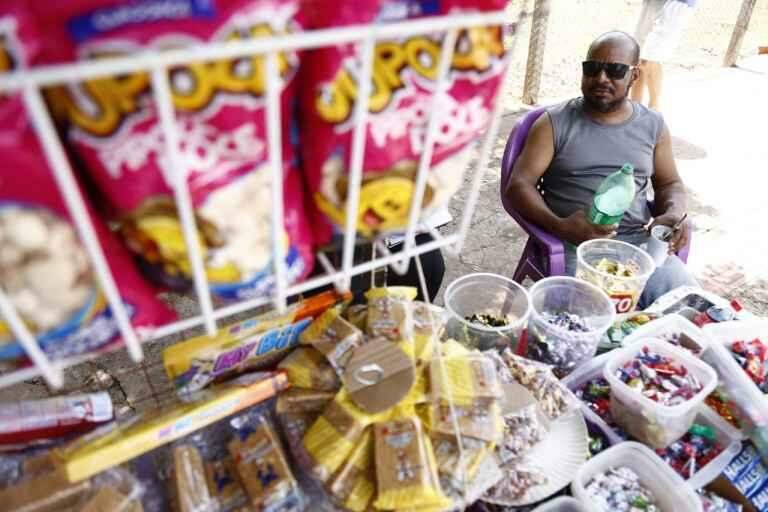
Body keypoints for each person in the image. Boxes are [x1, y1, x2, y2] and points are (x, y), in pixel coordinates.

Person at [506, 31, 696, 309]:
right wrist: (559, 226)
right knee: (590, 327)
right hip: (575, 246)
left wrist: (673, 213)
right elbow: (519, 185)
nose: (602, 78)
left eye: (615, 70)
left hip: (639, 247)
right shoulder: (554, 123)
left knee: (694, 310)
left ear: (634, 76)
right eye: (592, 68)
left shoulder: (653, 124)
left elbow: (670, 184)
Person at [632, 0, 698, 110]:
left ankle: (655, 110)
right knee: (637, 57)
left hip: (676, 4)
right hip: (652, 2)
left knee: (649, 58)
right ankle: (633, 110)